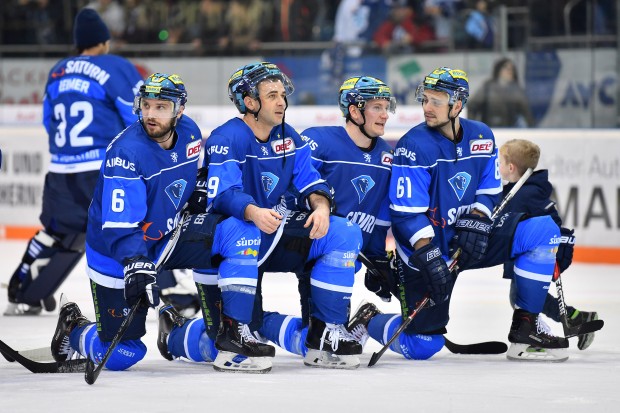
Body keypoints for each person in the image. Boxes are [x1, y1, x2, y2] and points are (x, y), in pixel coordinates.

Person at [50, 73, 275, 374]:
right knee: (123, 354)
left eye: (161, 107)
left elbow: (190, 176)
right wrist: (135, 261)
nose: (151, 114)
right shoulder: (126, 153)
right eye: (146, 105)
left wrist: (195, 190)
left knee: (240, 232)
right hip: (117, 252)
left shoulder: (191, 132)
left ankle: (228, 332)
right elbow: (119, 225)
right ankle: (73, 328)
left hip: (167, 238)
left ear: (179, 110)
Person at [351, 67, 571, 362]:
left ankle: (525, 329)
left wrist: (479, 218)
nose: (427, 108)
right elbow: (406, 215)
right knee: (423, 346)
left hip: (470, 240)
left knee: (542, 229)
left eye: (436, 101)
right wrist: (428, 255)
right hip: (427, 251)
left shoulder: (482, 136)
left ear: (457, 105)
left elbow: (490, 189)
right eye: (425, 100)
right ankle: (369, 320)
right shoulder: (413, 146)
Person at [158, 61, 364, 369]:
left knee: (343, 232)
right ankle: (174, 335)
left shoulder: (289, 136)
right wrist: (253, 212)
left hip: (268, 237)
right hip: (226, 249)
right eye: (272, 95)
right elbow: (224, 196)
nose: (282, 102)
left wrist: (321, 206)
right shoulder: (226, 137)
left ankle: (324, 334)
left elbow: (312, 181)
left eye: (282, 94)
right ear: (249, 102)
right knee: (216, 343)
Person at [4, 8, 143, 316]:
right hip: (101, 170)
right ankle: (172, 294)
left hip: (61, 171)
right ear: (104, 41)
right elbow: (137, 117)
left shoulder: (58, 71)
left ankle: (22, 291)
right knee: (133, 226)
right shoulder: (115, 66)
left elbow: (48, 121)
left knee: (59, 232)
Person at [248, 75, 397, 360]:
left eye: (386, 107)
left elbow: (379, 219)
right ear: (355, 111)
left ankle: (263, 323)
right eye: (377, 107)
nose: (384, 115)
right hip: (300, 243)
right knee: (314, 342)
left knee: (316, 346)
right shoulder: (318, 142)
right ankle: (257, 322)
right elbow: (290, 188)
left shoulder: (386, 158)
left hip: (338, 261)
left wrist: (378, 260)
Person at [499, 138, 600, 350]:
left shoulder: (526, 193)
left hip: (536, 255)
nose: (497, 167)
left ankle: (539, 334)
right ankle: (577, 318)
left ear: (511, 167)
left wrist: (558, 246)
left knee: (520, 298)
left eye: (500, 162)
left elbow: (550, 222)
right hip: (526, 253)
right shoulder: (518, 190)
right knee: (524, 297)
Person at [467, 57, 534, 127]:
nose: (510, 71)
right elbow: (472, 106)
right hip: (489, 129)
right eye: (506, 68)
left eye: (512, 69)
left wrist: (532, 129)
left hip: (510, 130)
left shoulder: (517, 90)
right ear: (498, 70)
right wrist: (473, 126)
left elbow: (527, 113)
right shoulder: (487, 87)